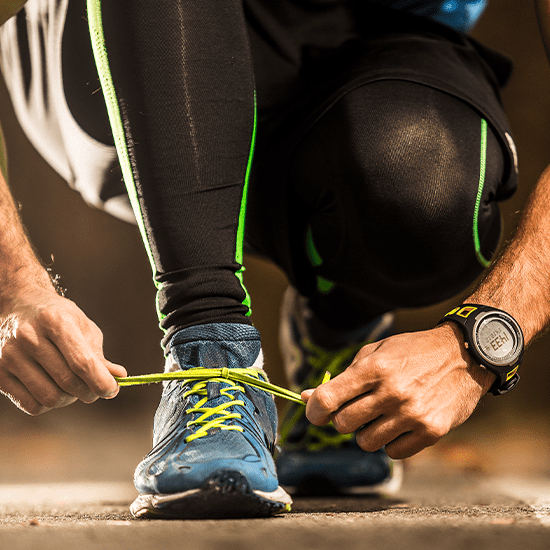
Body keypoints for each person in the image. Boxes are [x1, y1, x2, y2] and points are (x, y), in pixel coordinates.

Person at [0, 0, 534, 518]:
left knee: (423, 182)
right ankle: (208, 353)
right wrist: (11, 285)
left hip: (378, 42)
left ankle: (338, 322)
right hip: (118, 50)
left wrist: (479, 344)